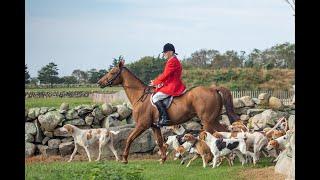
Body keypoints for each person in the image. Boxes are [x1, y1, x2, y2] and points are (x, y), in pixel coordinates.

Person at [150, 43, 186, 127]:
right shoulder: (172, 60)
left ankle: (165, 118)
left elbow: (165, 74)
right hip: (170, 83)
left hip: (173, 85)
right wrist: (159, 83)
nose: (164, 54)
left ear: (171, 52)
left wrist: (155, 82)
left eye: (165, 52)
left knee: (155, 97)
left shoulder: (172, 61)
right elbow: (167, 76)